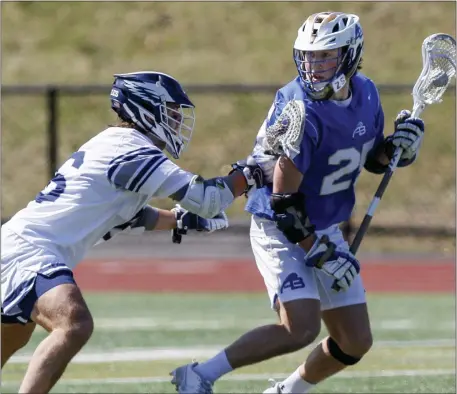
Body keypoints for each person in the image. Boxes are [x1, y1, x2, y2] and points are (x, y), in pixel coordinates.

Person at [170, 11, 425, 394]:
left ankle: (284, 391)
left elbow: (370, 159)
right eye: (308, 56)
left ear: (351, 54)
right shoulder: (300, 109)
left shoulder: (367, 93)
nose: (314, 66)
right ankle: (201, 374)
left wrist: (397, 148)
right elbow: (283, 200)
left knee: (355, 340)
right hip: (280, 224)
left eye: (325, 56)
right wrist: (320, 253)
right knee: (300, 327)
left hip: (322, 224)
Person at [1, 71, 266, 393]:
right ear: (145, 107)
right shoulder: (131, 148)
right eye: (169, 111)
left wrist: (178, 220)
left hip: (19, 246)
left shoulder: (117, 144)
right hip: (31, 251)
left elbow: (127, 215)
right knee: (73, 323)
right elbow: (208, 200)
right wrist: (250, 173)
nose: (175, 119)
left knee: (13, 339)